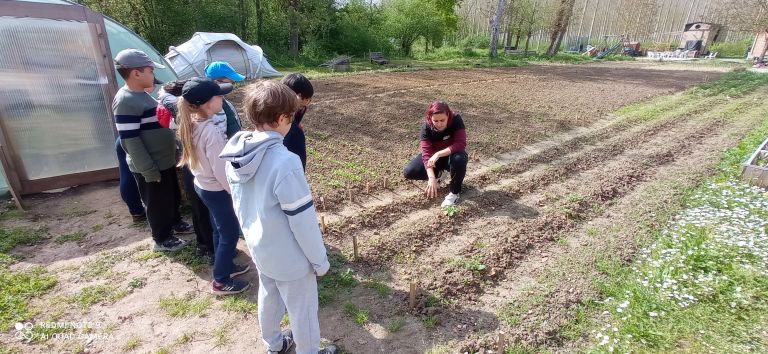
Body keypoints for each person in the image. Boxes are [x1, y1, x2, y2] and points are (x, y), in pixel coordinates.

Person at [219, 80, 338, 354]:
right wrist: (319, 261)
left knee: (269, 295)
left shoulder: (235, 156)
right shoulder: (285, 162)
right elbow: (303, 221)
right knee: (303, 310)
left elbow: (240, 205)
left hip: (260, 248)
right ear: (284, 118)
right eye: (292, 116)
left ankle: (274, 344)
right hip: (291, 258)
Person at [177, 77, 251, 295]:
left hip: (203, 186)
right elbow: (221, 169)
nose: (223, 98)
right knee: (228, 234)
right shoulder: (210, 131)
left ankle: (226, 265)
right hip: (217, 189)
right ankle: (220, 281)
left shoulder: (191, 123)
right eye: (219, 95)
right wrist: (234, 190)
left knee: (219, 229)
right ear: (207, 103)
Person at [112, 49, 188, 251]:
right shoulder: (126, 100)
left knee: (171, 196)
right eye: (150, 71)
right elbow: (130, 140)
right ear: (136, 73)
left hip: (165, 161)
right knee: (157, 202)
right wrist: (148, 169)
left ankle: (175, 222)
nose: (153, 75)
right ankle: (161, 237)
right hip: (151, 165)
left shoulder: (141, 95)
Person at [157, 80, 216, 262]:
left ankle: (205, 245)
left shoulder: (186, 118)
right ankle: (208, 247)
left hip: (193, 166)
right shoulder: (194, 121)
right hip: (201, 169)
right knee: (204, 210)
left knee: (200, 208)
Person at [403, 101, 468, 207]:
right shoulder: (426, 128)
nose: (439, 124)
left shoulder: (456, 119)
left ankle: (454, 193)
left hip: (451, 155)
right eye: (435, 121)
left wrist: (438, 154)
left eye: (442, 120)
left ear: (448, 115)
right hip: (433, 158)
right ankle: (439, 174)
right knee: (409, 171)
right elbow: (426, 154)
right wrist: (431, 178)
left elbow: (460, 144)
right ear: (430, 118)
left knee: (459, 160)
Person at [281, 73, 314, 170]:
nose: (308, 102)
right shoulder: (280, 117)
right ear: (297, 97)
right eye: (307, 99)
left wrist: (296, 122)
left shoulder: (302, 108)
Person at [204, 61, 244, 138]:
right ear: (216, 82)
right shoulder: (210, 108)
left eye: (233, 83)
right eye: (229, 83)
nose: (231, 87)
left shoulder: (225, 103)